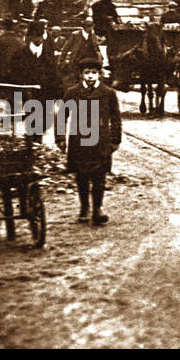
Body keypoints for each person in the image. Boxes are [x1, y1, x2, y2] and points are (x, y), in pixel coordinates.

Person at [57, 56, 121, 226]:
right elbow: (62, 116)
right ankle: (84, 207)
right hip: (79, 141)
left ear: (99, 74)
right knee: (82, 176)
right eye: (87, 73)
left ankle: (97, 209)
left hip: (101, 141)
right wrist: (60, 138)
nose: (91, 76)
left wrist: (115, 141)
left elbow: (116, 118)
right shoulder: (72, 92)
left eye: (94, 73)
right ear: (81, 74)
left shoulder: (108, 93)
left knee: (100, 176)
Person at [13, 20, 62, 103]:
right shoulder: (20, 53)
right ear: (30, 37)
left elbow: (55, 74)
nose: (39, 39)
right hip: (25, 97)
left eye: (40, 35)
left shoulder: (48, 53)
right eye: (36, 36)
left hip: (45, 96)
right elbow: (16, 76)